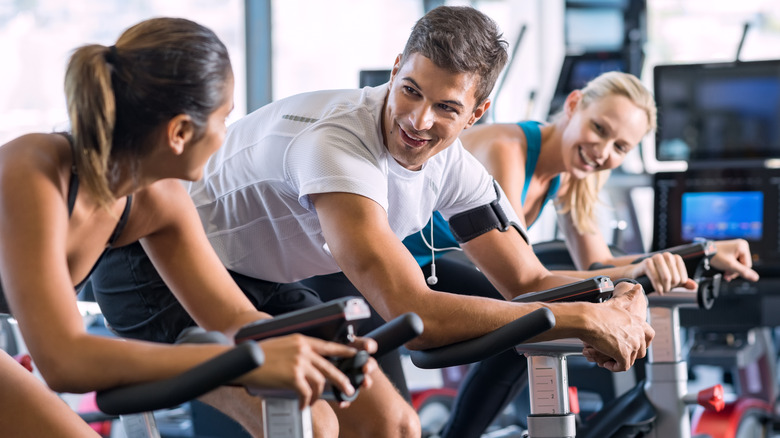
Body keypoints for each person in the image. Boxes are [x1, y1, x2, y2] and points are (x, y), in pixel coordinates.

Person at [91, 7, 654, 436]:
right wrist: (578, 316)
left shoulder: (456, 168)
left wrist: (618, 294)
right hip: (150, 268)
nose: (417, 120)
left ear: (477, 112)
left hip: (254, 282)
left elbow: (526, 282)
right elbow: (416, 311)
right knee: (311, 422)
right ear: (395, 70)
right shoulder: (335, 145)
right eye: (410, 91)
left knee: (393, 425)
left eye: (446, 108)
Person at [0, 17, 378, 438]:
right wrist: (237, 361)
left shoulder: (159, 201)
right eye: (222, 119)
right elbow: (63, 360)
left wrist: (314, 345)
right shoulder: (30, 170)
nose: (224, 137)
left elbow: (231, 317)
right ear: (179, 132)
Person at [401, 70, 760, 437]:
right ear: (573, 105)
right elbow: (524, 281)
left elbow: (599, 264)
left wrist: (702, 253)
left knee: (529, 326)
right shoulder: (507, 149)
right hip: (395, 270)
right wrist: (633, 281)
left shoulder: (571, 174)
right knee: (529, 318)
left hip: (432, 267)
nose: (603, 152)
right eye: (600, 129)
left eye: (620, 147)